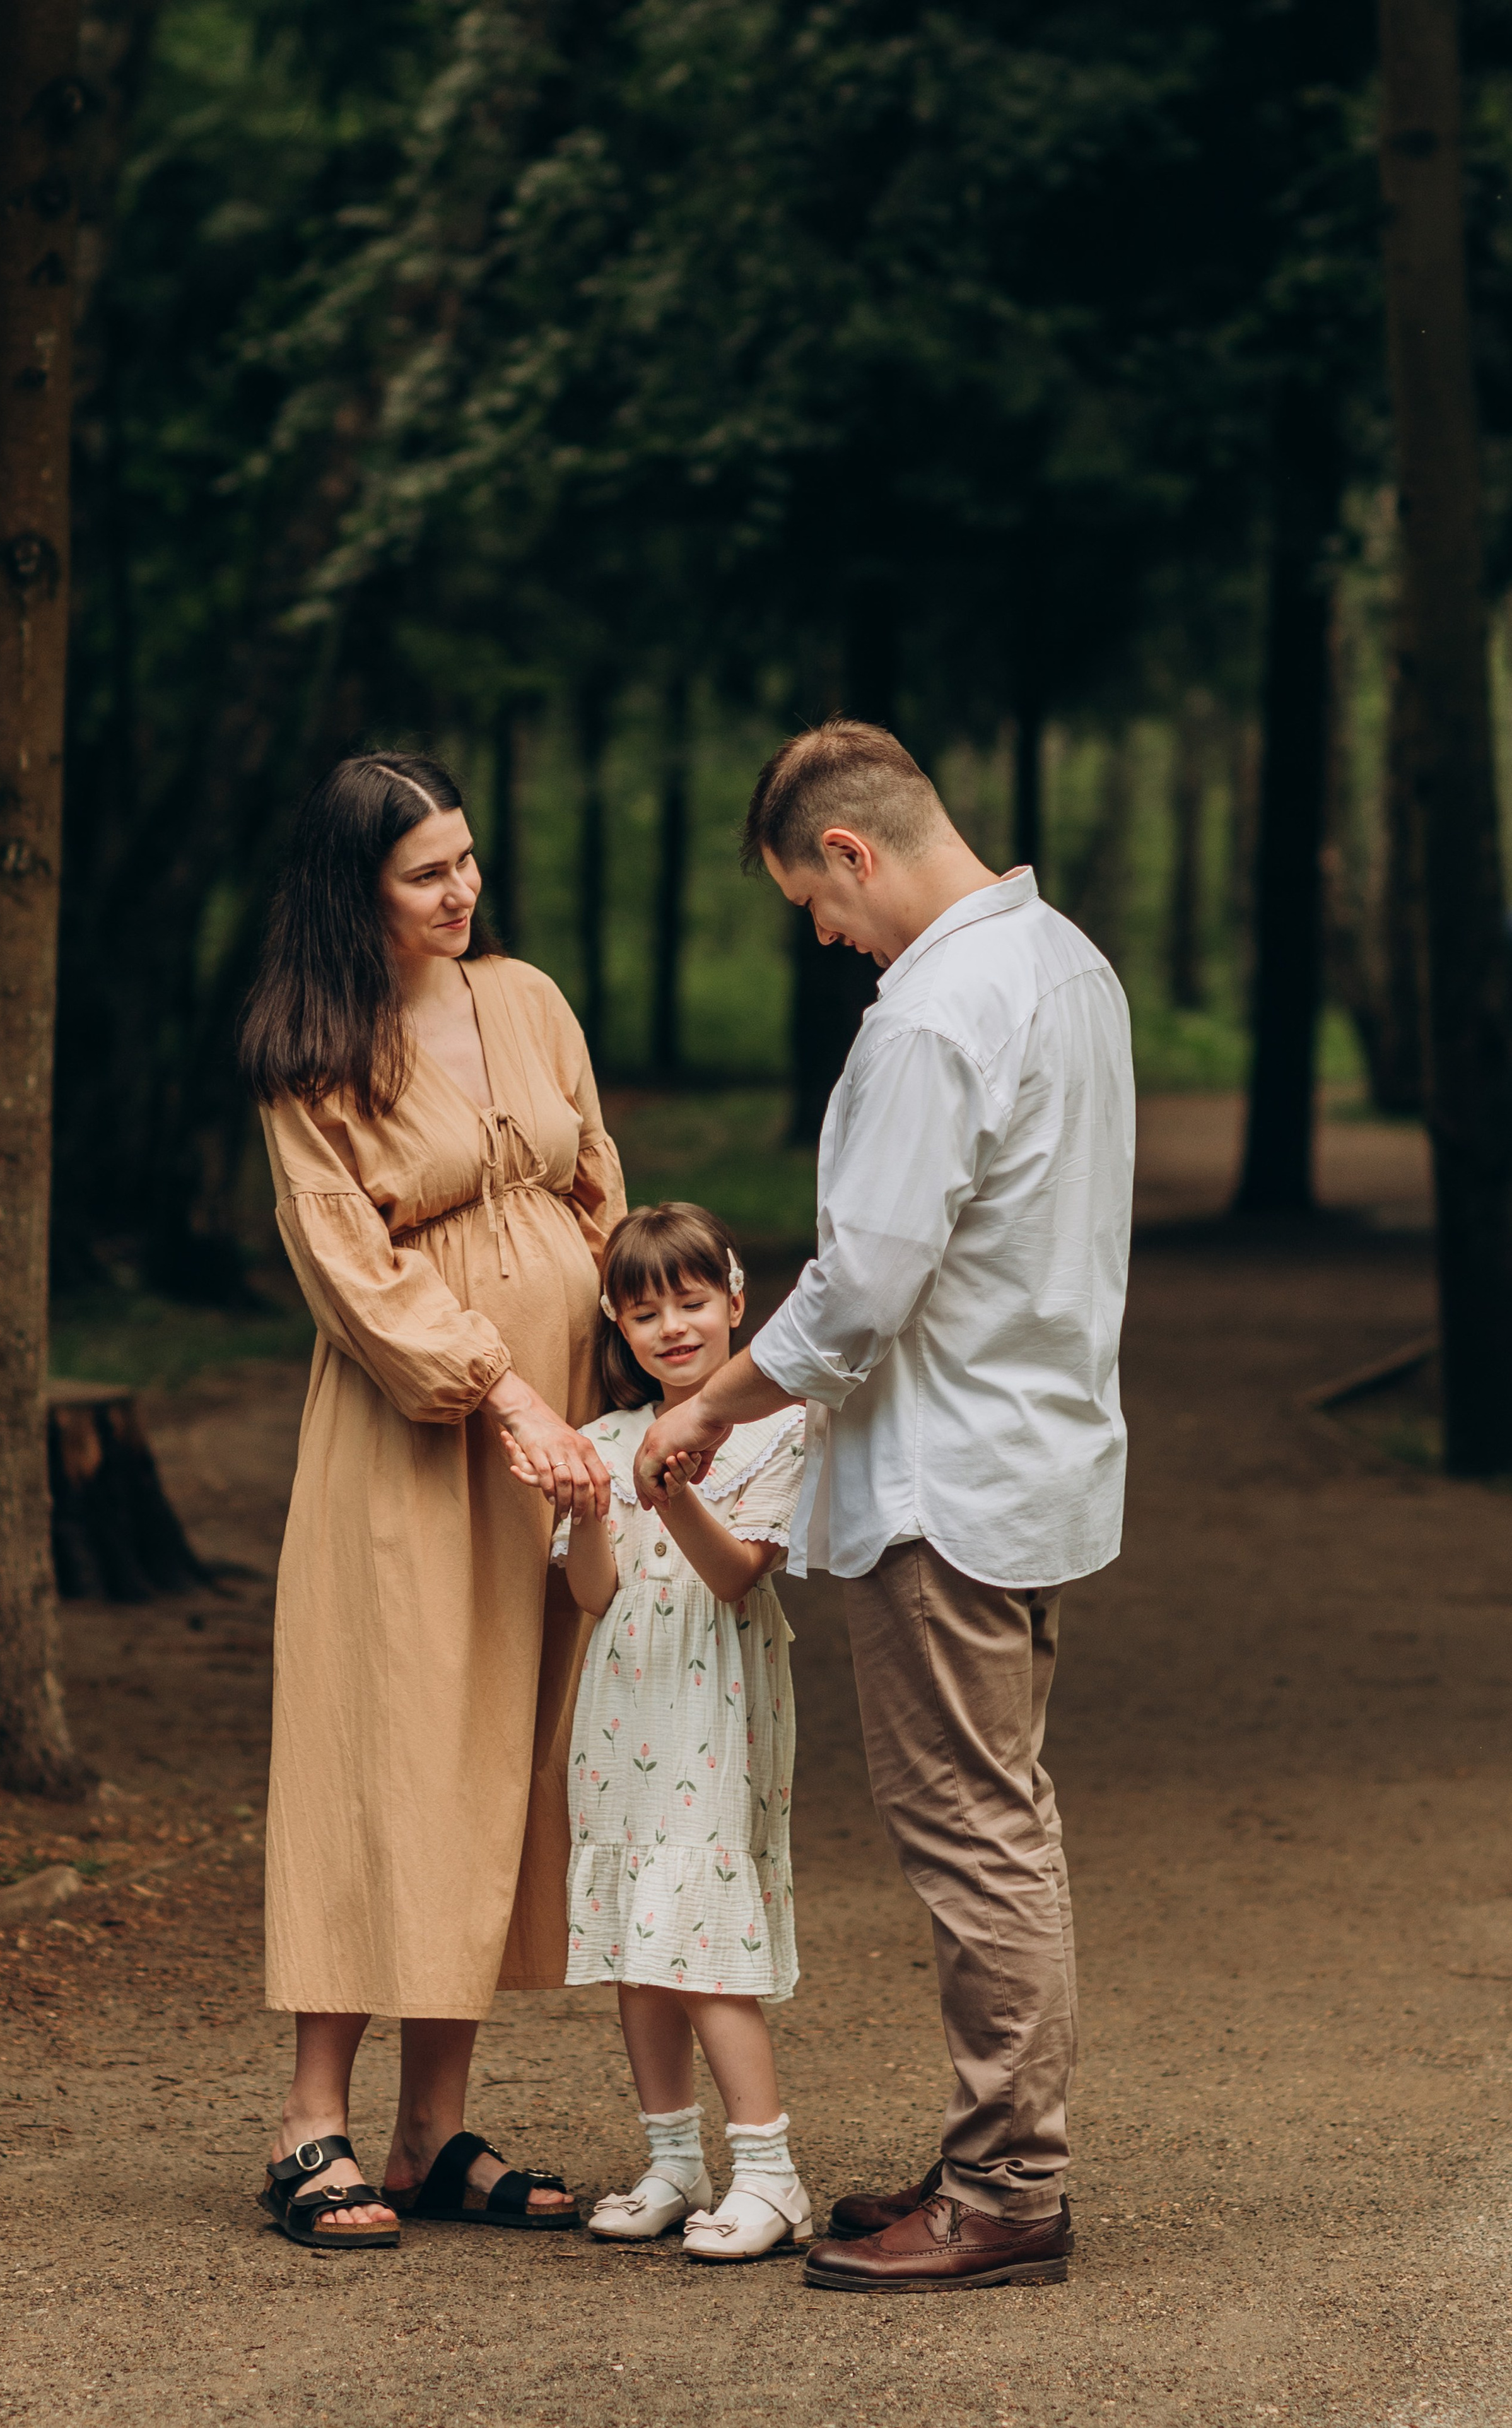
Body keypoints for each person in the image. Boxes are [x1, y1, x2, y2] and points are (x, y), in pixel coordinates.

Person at [636, 720, 1134, 2293]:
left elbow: (862, 1285)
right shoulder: (1069, 966)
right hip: (1032, 1449)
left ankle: (1003, 2192)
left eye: (811, 903)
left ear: (849, 851)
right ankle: (994, 2155)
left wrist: (710, 1404)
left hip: (945, 1477)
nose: (823, 933)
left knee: (975, 1837)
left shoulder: (930, 1011)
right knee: (1004, 1816)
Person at [237, 751, 624, 2249]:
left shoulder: (526, 1000)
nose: (463, 889)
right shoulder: (308, 1049)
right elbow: (351, 1269)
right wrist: (503, 1389)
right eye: (426, 872)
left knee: (497, 1755)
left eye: (467, 858)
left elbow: (594, 1185)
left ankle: (429, 2132)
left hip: (548, 1440)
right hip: (413, 1443)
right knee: (376, 1742)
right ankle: (309, 2126)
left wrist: (622, 1379)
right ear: (356, 892)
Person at [503, 1202, 812, 2261]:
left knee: (703, 1938)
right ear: (618, 1328)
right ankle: (674, 2161)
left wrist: (670, 1489)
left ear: (735, 1300)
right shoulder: (600, 1440)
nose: (674, 1328)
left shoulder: (779, 1427)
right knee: (642, 1937)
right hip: (621, 1705)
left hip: (716, 1706)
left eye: (691, 1302)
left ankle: (770, 2172)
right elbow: (593, 1595)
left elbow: (736, 1576)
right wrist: (592, 1505)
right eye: (647, 1313)